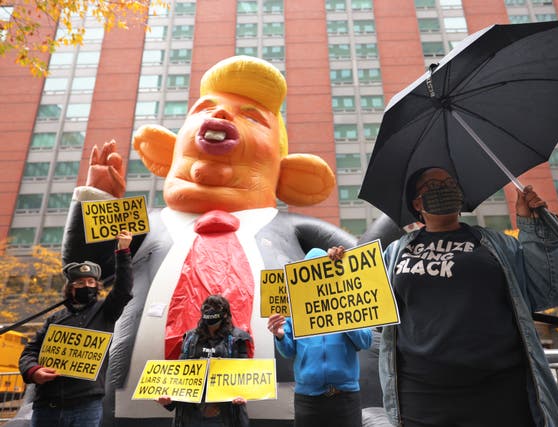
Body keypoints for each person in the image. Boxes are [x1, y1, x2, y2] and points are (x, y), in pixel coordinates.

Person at [58, 55, 356, 426]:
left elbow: (365, 285)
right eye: (206, 108)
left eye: (252, 116)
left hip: (278, 402)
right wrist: (96, 203)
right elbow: (85, 270)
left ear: (292, 173)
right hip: (136, 402)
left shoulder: (294, 229)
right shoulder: (146, 224)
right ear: (167, 149)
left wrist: (343, 259)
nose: (223, 116)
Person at [330, 167, 558, 427]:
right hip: (420, 394)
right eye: (433, 185)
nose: (444, 187)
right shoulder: (396, 251)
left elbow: (547, 292)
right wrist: (341, 267)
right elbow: (371, 307)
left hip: (499, 390)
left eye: (449, 182)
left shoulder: (497, 244)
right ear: (417, 203)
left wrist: (534, 226)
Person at [19, 231, 134, 427]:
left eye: (90, 282)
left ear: (97, 287)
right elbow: (29, 352)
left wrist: (123, 252)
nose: (86, 286)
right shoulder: (54, 320)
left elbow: (123, 289)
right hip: (47, 405)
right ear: (70, 289)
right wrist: (33, 371)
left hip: (86, 405)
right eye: (80, 283)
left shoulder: (105, 312)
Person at [267, 248, 373, 427]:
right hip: (308, 399)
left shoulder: (349, 301)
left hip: (345, 396)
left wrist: (344, 315)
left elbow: (366, 340)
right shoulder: (296, 308)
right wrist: (279, 336)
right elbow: (288, 351)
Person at [157, 294, 251, 427]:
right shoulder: (190, 338)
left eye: (216, 307)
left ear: (225, 313)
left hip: (225, 415)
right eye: (207, 306)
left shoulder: (237, 339)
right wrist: (169, 402)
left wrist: (243, 393)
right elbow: (179, 376)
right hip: (191, 414)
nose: (210, 310)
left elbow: (243, 374)